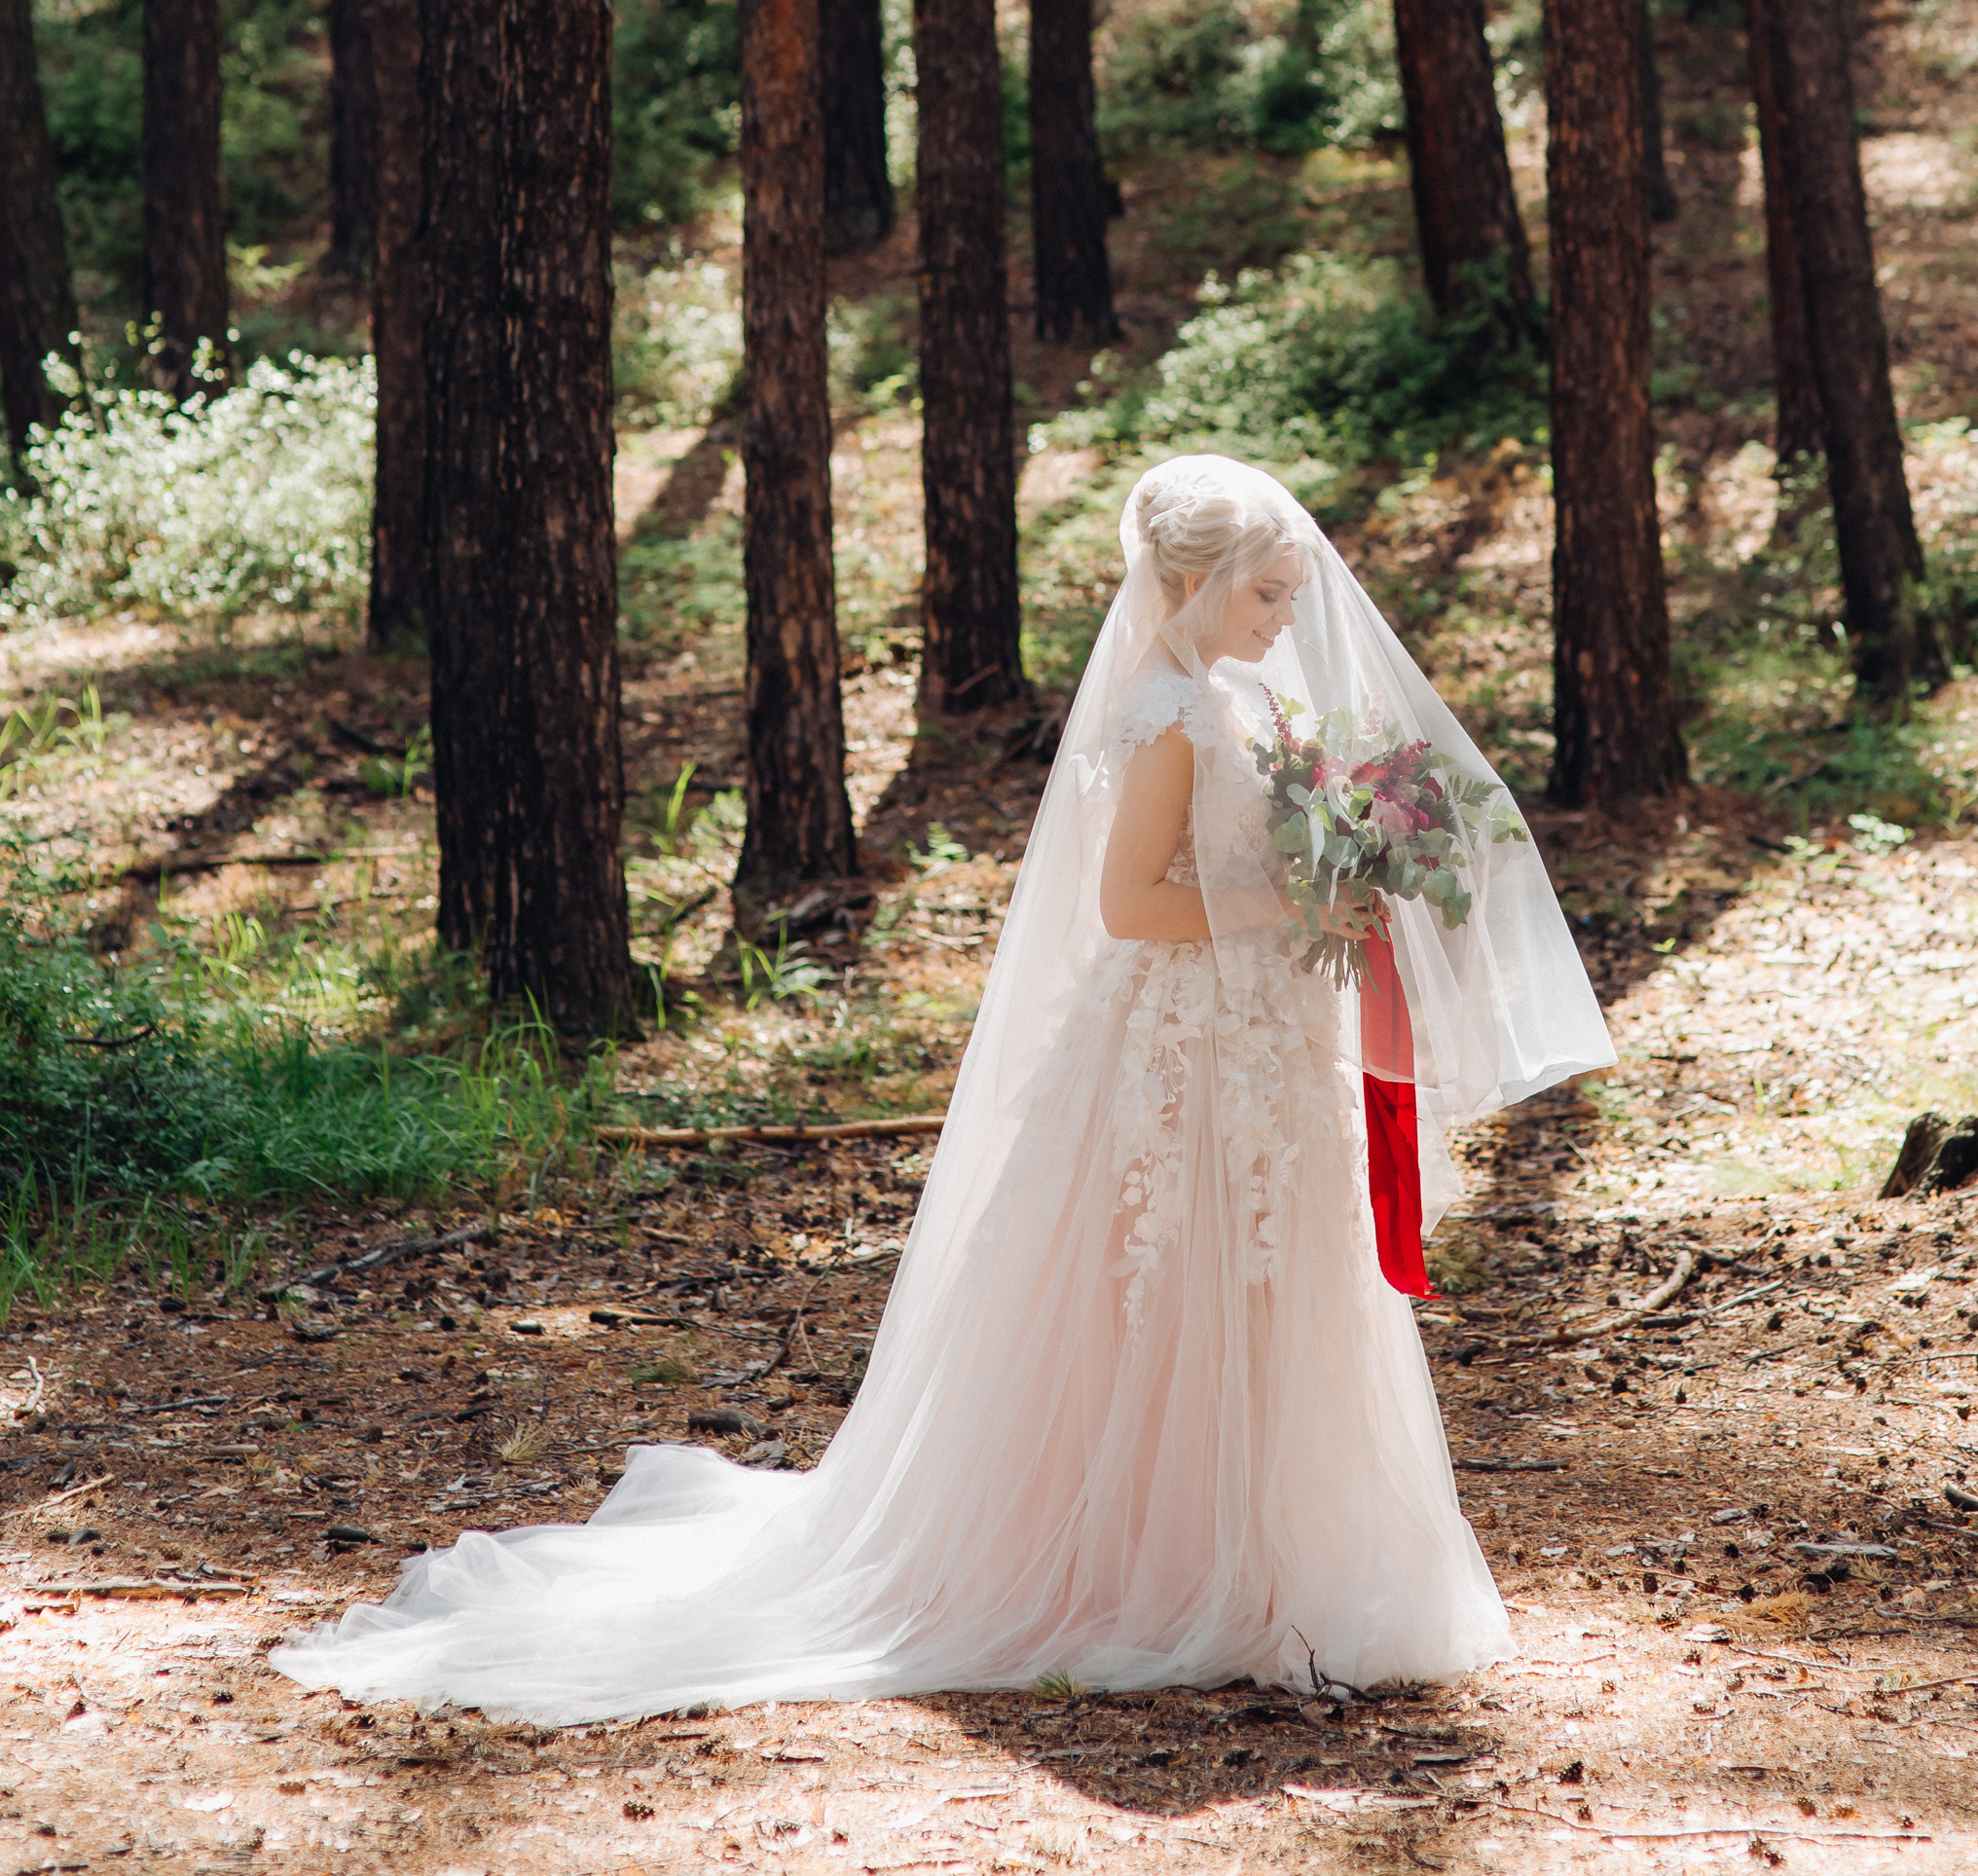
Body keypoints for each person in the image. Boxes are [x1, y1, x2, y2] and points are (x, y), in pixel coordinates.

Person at [275, 454, 1613, 1723]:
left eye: (1289, 596)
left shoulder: (1252, 700)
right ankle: (1145, 1564)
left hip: (1261, 1038)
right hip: (1174, 1046)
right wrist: (1295, 889)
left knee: (1272, 1279)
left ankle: (1271, 1558)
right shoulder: (1160, 716)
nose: (1283, 617)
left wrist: (1350, 865)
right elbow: (1132, 905)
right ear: (1190, 587)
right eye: (1265, 594)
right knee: (1163, 1278)